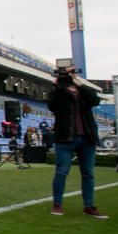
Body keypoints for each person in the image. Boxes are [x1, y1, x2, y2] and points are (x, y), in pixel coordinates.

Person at [48, 65, 108, 218]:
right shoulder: (58, 92)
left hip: (87, 137)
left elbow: (95, 101)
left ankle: (89, 205)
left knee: (88, 173)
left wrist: (79, 84)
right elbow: (52, 106)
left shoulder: (83, 91)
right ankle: (57, 203)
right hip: (65, 138)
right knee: (61, 172)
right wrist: (58, 87)